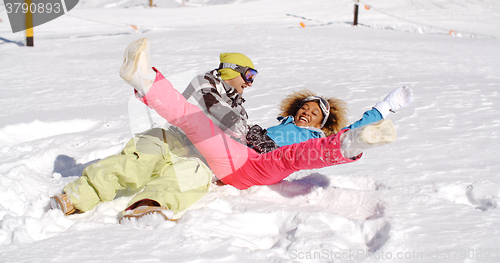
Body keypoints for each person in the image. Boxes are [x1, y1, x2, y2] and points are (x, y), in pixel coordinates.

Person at [52, 38, 412, 225]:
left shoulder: (316, 136)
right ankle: (147, 81)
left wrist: (385, 107)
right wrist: (253, 134)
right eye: (304, 107)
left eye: (315, 113)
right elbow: (214, 109)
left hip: (263, 164)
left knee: (295, 155)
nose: (307, 112)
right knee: (194, 122)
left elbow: (331, 134)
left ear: (322, 123)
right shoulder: (271, 124)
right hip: (237, 153)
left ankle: (349, 145)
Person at [50, 39, 259, 224]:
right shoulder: (204, 84)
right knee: (135, 162)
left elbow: (235, 140)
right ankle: (78, 195)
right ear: (232, 69)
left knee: (188, 178)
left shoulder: (240, 109)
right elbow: (214, 112)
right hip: (172, 138)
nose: (250, 82)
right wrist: (247, 132)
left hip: (199, 156)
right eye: (249, 74)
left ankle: (149, 205)